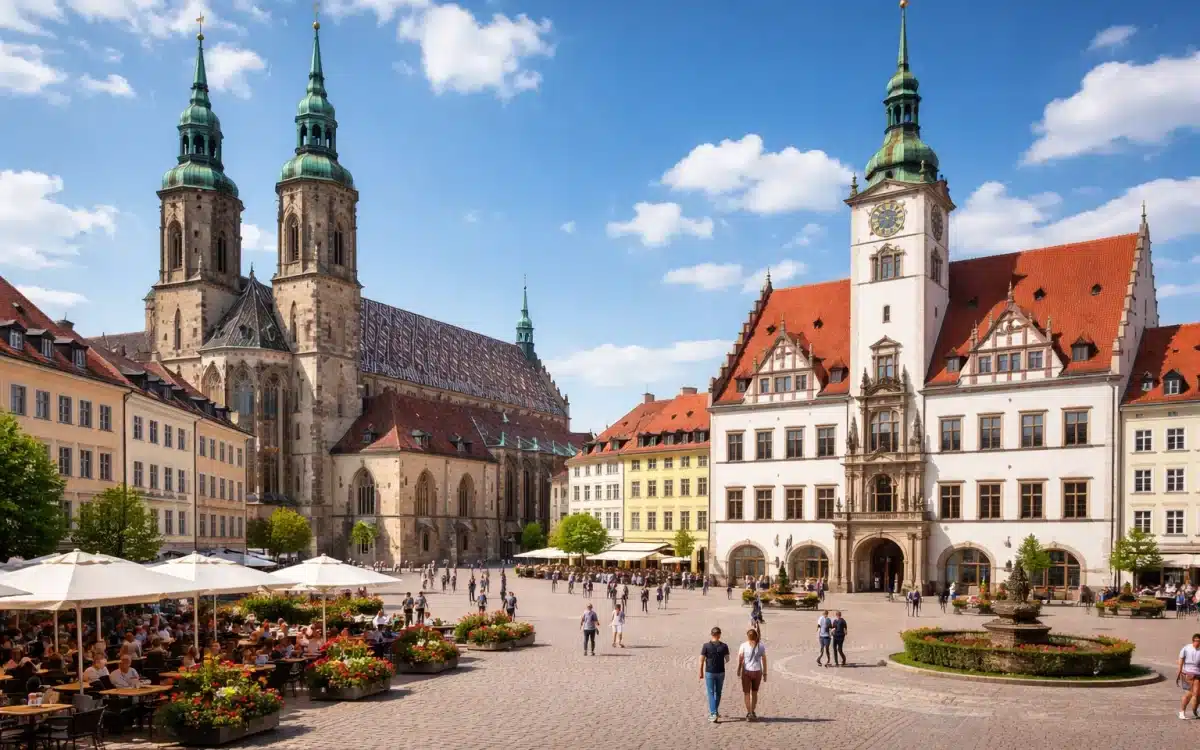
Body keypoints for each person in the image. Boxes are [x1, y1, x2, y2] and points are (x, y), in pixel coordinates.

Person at [698, 626, 730, 723]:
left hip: (709, 672)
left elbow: (701, 660)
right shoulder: (724, 646)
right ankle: (715, 711)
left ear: (712, 634)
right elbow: (727, 659)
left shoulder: (706, 646)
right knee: (718, 692)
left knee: (711, 693)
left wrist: (700, 671)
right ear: (719, 635)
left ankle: (713, 713)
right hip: (720, 671)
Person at [737, 628, 767, 721]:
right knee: (754, 693)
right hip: (757, 671)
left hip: (746, 671)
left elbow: (741, 659)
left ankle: (749, 712)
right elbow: (764, 659)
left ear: (748, 636)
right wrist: (765, 673)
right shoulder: (761, 646)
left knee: (746, 693)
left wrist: (738, 669)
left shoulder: (743, 645)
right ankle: (753, 711)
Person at [1179, 633, 1200, 720]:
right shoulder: (1187, 648)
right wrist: (1179, 670)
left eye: (1199, 641)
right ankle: (1187, 711)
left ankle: (1195, 711)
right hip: (1188, 674)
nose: (1197, 643)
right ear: (1193, 641)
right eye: (1196, 641)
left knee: (1196, 693)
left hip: (1198, 673)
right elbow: (1181, 658)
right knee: (1193, 693)